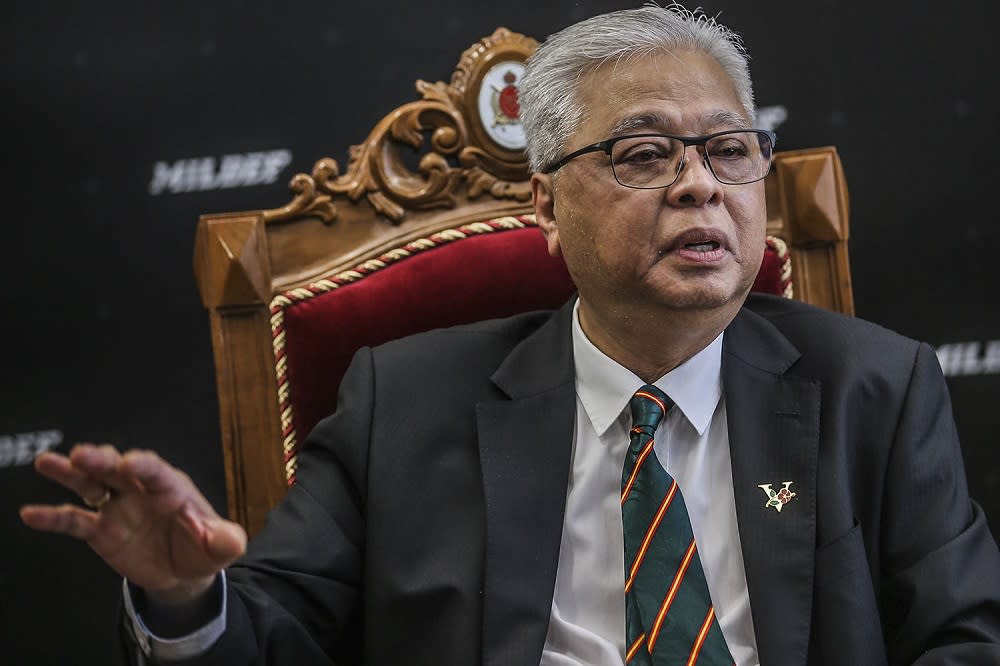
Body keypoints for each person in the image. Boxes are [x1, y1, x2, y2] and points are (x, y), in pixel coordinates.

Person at [20, 3, 1000, 665]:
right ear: (544, 202)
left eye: (728, 150)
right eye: (646, 152)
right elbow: (275, 637)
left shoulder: (875, 388)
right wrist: (188, 598)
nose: (699, 182)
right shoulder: (402, 404)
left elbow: (966, 637)